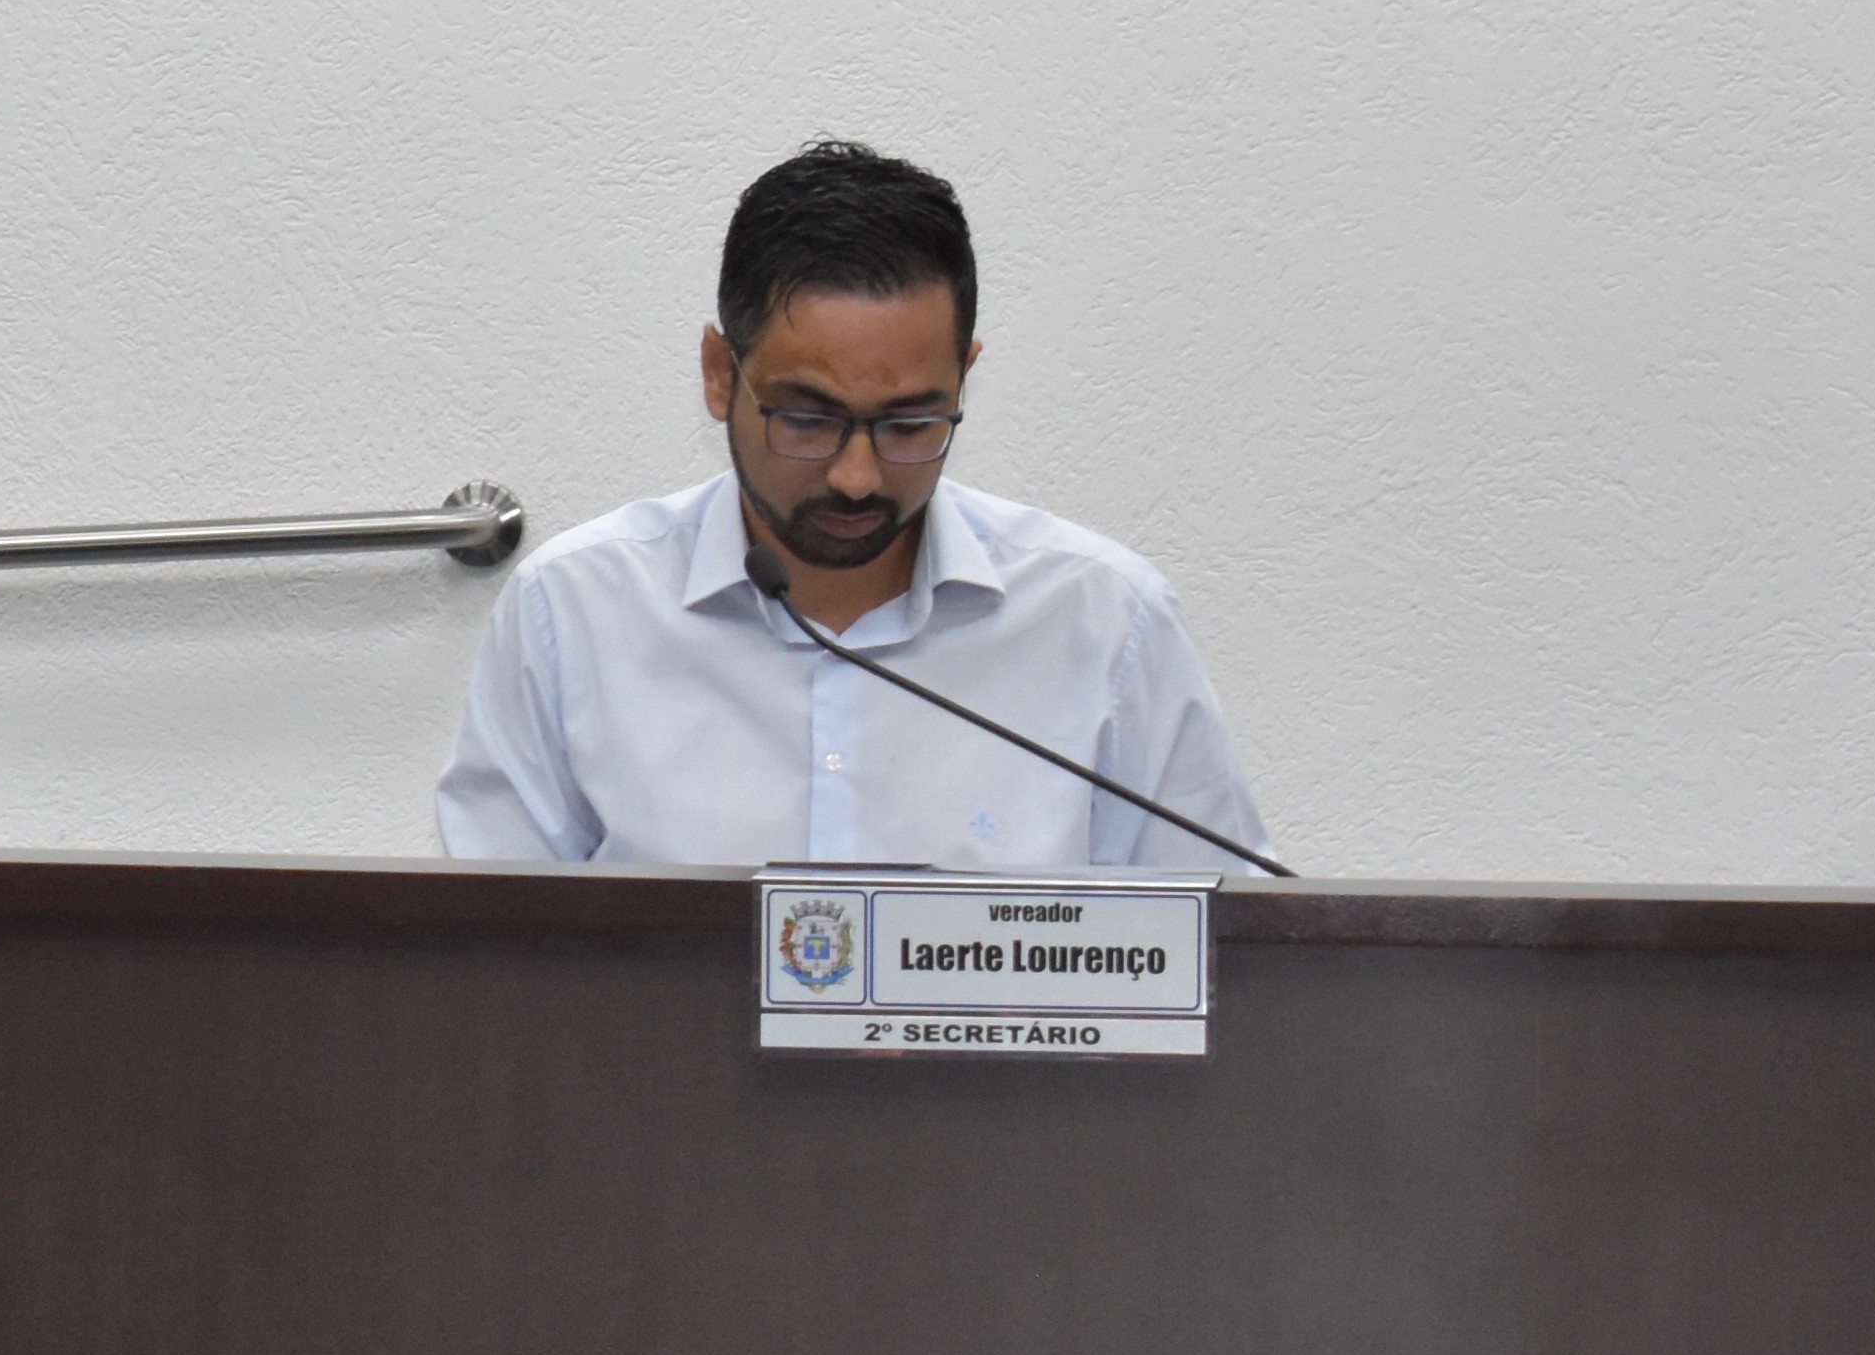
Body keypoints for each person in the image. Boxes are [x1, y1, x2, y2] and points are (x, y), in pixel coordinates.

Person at [435, 139, 1269, 872]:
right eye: (808, 420)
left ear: (964, 379)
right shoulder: (573, 612)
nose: (859, 476)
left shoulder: (1103, 622)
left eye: (910, 424)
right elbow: (487, 956)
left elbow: (1222, 951)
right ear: (720, 374)